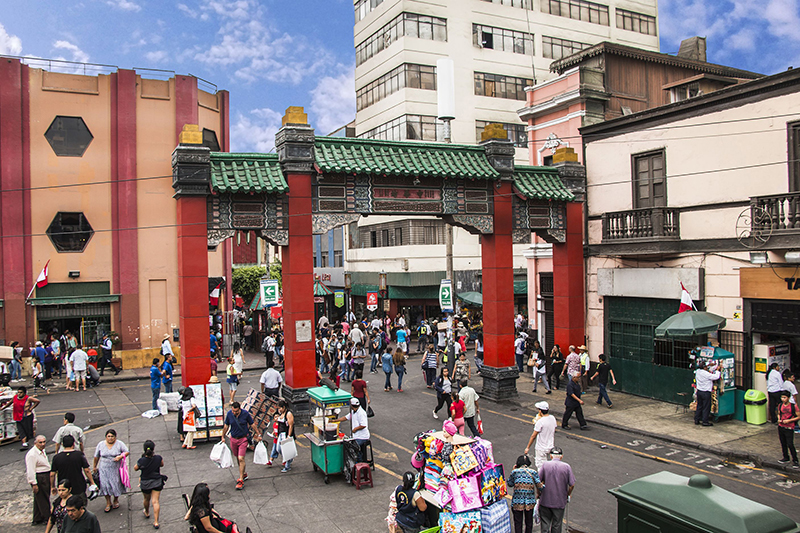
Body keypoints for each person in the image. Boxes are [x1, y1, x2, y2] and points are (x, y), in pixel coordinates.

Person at [538, 447, 575, 533]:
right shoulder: (566, 467)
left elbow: (538, 482)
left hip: (545, 500)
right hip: (559, 502)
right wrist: (568, 494)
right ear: (561, 456)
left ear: (551, 456)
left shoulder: (545, 465)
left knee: (545, 524)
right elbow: (572, 484)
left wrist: (538, 493)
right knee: (557, 525)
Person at [92, 429, 129, 513]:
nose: (110, 438)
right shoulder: (101, 444)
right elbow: (96, 456)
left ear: (115, 437)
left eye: (112, 436)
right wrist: (94, 466)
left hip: (115, 468)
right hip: (104, 468)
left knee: (115, 484)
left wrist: (120, 456)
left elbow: (127, 452)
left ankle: (116, 499)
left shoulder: (119, 444)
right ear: (106, 437)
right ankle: (108, 502)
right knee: (105, 485)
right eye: (108, 436)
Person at [50, 435, 93, 503]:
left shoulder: (56, 457)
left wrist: (53, 486)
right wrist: (92, 482)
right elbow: (87, 470)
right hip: (78, 485)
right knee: (80, 505)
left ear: (62, 444)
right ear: (73, 444)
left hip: (64, 487)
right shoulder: (79, 455)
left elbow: (52, 474)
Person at [507, 455, 543, 533]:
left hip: (517, 502)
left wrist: (513, 470)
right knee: (529, 523)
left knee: (518, 522)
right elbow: (540, 486)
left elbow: (510, 483)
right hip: (529, 502)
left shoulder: (515, 472)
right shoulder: (533, 472)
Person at [222, 401, 254, 490]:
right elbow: (226, 426)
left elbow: (252, 424)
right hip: (233, 439)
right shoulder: (229, 414)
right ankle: (243, 473)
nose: (234, 413)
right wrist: (223, 436)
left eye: (236, 411)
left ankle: (240, 479)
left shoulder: (245, 414)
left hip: (243, 439)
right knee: (237, 458)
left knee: (241, 458)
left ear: (240, 409)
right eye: (233, 411)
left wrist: (258, 435)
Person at [134, 439, 165, 529]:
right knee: (155, 501)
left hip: (145, 482)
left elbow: (135, 468)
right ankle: (156, 522)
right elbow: (162, 465)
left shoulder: (142, 460)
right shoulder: (158, 458)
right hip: (157, 481)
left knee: (146, 499)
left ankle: (147, 512)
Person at [524, 401, 557, 469]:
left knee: (541, 467)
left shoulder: (540, 421)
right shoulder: (552, 418)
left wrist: (528, 447)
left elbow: (533, 436)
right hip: (550, 446)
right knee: (549, 465)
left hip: (541, 448)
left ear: (540, 411)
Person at [26, 435, 51, 525]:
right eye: (40, 442)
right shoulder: (32, 454)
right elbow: (30, 470)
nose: (42, 444)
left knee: (39, 498)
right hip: (40, 477)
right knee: (43, 498)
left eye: (44, 442)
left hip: (45, 475)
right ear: (35, 443)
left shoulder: (41, 451)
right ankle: (47, 517)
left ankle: (37, 517)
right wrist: (34, 483)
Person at [270, 399, 296, 473]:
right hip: (280, 434)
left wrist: (289, 435)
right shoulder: (281, 414)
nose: (279, 410)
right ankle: (289, 459)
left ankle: (287, 465)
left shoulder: (288, 414)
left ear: (284, 407)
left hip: (286, 434)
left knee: (285, 450)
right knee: (278, 449)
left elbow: (291, 425)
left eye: (280, 408)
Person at [777, 390, 800, 467]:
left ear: (788, 398)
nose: (783, 399)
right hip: (781, 426)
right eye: (782, 397)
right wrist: (779, 419)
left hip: (789, 427)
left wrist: (789, 420)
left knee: (790, 444)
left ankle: (795, 460)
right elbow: (779, 413)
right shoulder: (780, 405)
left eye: (784, 397)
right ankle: (785, 457)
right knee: (783, 443)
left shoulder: (793, 406)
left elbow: (798, 416)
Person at [694, 360, 721, 426]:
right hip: (706, 392)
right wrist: (717, 370)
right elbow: (716, 377)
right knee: (706, 407)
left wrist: (709, 365)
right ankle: (705, 421)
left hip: (699, 391)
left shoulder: (697, 372)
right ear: (704, 367)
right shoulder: (706, 374)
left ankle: (697, 419)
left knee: (699, 406)